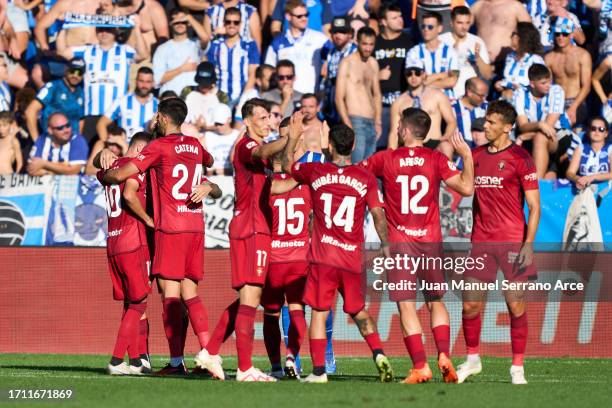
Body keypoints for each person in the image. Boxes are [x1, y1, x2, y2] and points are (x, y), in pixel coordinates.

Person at [100, 97, 220, 376]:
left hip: (171, 227)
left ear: (162, 118)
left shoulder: (158, 147)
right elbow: (209, 161)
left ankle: (176, 362)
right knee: (191, 292)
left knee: (170, 294)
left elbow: (122, 177)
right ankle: (207, 353)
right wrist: (209, 184)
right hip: (196, 226)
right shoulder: (196, 145)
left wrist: (106, 173)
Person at [360, 107, 473, 384]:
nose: (397, 128)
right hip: (431, 241)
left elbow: (355, 174)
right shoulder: (436, 159)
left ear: (407, 130)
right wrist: (467, 157)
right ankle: (444, 354)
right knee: (435, 301)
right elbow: (467, 188)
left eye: (399, 125)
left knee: (407, 305)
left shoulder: (386, 158)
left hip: (400, 244)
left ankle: (421, 366)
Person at [281, 115, 394, 384]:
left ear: (329, 145)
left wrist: (294, 136)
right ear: (353, 146)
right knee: (359, 311)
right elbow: (378, 214)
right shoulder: (365, 177)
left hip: (323, 258)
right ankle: (378, 353)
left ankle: (319, 371)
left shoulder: (315, 172)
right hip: (351, 258)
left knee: (319, 313)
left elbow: (286, 166)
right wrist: (387, 245)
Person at [194, 98, 288, 382]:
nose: (266, 122)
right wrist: (288, 138)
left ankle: (210, 352)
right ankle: (245, 368)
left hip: (258, 228)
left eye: (268, 117)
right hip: (250, 227)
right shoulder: (246, 145)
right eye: (261, 117)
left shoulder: (262, 149)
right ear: (247, 121)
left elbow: (279, 170)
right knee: (250, 297)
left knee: (249, 298)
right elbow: (263, 151)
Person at [456, 100, 540, 385]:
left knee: (515, 305)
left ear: (507, 127)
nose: (485, 126)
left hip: (514, 243)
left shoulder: (521, 158)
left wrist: (528, 245)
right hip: (481, 242)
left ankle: (517, 367)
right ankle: (472, 360)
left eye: (491, 122)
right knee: (469, 306)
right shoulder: (475, 155)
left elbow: (534, 206)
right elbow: (459, 183)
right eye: (485, 121)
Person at [97, 131, 152, 376]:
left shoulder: (112, 168)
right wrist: (149, 220)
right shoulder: (135, 168)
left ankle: (138, 360)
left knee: (131, 301)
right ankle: (118, 359)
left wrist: (101, 154)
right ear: (140, 151)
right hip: (132, 241)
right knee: (139, 303)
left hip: (113, 242)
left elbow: (98, 165)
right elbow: (129, 196)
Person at [263, 122, 312, 379]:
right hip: (299, 259)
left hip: (273, 260)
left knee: (271, 316)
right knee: (297, 310)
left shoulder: (265, 186)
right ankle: (292, 356)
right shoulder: (304, 184)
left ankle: (275, 367)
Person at [57, 20, 149, 143]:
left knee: (116, 157)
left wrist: (136, 27)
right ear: (95, 31)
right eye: (100, 29)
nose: (104, 32)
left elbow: (143, 54)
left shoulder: (124, 51)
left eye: (108, 29)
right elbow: (62, 52)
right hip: (91, 114)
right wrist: (64, 26)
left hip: (117, 116)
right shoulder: (87, 50)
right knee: (91, 155)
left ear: (115, 31)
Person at [389, 59, 457, 158]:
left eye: (417, 73)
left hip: (433, 144)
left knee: (446, 147)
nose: (413, 77)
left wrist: (445, 137)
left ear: (424, 74)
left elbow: (451, 121)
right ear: (405, 75)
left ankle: (450, 173)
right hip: (409, 146)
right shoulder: (399, 102)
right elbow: (394, 133)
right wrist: (389, 156)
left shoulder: (437, 95)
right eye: (409, 73)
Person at [336, 26, 382, 163]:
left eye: (371, 44)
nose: (368, 48)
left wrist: (378, 121)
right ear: (357, 42)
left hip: (371, 123)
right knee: (356, 166)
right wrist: (348, 124)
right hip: (355, 121)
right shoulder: (347, 63)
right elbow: (338, 97)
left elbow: (377, 95)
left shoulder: (373, 63)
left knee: (369, 168)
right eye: (364, 44)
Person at [513, 63, 568, 178]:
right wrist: (539, 124)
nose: (548, 85)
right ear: (532, 84)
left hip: (560, 133)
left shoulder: (556, 91)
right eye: (543, 83)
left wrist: (526, 135)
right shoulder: (520, 93)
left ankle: (536, 185)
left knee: (540, 137)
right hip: (534, 136)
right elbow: (523, 126)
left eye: (549, 81)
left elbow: (549, 127)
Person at [265, 0, 328, 94]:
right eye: (299, 16)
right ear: (288, 16)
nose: (304, 19)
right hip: (285, 98)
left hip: (310, 98)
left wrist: (326, 63)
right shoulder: (277, 42)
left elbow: (335, 57)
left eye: (306, 15)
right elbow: (269, 70)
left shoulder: (320, 39)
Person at [374, 5, 413, 149]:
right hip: (381, 105)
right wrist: (376, 76)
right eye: (394, 18)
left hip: (404, 105)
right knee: (380, 149)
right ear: (383, 22)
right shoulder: (374, 44)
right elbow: (361, 75)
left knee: (405, 147)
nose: (400, 20)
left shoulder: (409, 42)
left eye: (400, 16)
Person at [206, 6, 260, 108]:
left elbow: (253, 75)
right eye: (228, 22)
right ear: (223, 23)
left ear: (240, 24)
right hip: (220, 98)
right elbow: (210, 73)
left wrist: (242, 100)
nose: (232, 25)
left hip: (243, 96)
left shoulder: (249, 45)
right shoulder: (215, 45)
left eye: (236, 22)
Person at [544, 18, 592, 128]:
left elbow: (586, 87)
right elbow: (548, 85)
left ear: (571, 35)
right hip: (556, 101)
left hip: (576, 101)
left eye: (564, 34)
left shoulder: (582, 55)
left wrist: (573, 107)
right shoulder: (549, 58)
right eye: (557, 34)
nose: (560, 37)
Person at [25, 57, 85, 143]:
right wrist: (37, 142)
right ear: (66, 70)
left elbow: (80, 119)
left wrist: (78, 142)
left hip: (72, 145)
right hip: (51, 142)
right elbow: (30, 111)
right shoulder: (53, 87)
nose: (75, 75)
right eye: (72, 71)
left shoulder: (81, 93)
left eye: (79, 73)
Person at [152, 8, 208, 96]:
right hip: (170, 98)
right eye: (176, 22)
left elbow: (205, 37)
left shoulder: (195, 44)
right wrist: (181, 69)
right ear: (170, 23)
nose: (180, 24)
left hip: (193, 98)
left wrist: (189, 18)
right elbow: (157, 80)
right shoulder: (162, 49)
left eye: (183, 21)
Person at [439, 6, 493, 98]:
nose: (464, 27)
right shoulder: (441, 41)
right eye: (460, 23)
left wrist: (478, 58)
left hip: (470, 96)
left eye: (467, 23)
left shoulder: (477, 42)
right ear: (451, 23)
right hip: (446, 94)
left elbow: (488, 75)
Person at [97, 66, 158, 143]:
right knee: (98, 144)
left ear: (153, 83)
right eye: (141, 81)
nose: (144, 85)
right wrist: (108, 145)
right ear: (136, 81)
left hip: (149, 149)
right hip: (125, 149)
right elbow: (101, 124)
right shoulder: (122, 101)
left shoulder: (158, 105)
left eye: (148, 82)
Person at [406, 11, 459, 98]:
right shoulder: (413, 52)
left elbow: (453, 81)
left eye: (430, 27)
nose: (426, 29)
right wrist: (443, 75)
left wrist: (427, 81)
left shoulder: (451, 52)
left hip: (447, 100)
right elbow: (414, 81)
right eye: (423, 26)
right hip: (423, 101)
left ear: (439, 28)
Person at [495, 22, 544, 101]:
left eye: (514, 33)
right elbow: (508, 79)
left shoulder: (535, 60)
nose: (510, 36)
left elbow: (541, 86)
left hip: (524, 103)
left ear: (522, 37)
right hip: (505, 101)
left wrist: (520, 89)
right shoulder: (509, 57)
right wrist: (500, 85)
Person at [322, 16, 356, 124]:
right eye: (335, 32)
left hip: (350, 99)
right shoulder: (331, 52)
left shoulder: (355, 51)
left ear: (350, 34)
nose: (338, 35)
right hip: (332, 100)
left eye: (342, 32)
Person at [566, 117, 612, 189]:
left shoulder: (610, 149)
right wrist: (578, 179)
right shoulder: (580, 148)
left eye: (601, 129)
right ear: (588, 131)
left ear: (606, 133)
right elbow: (570, 173)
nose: (597, 131)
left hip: (607, 189)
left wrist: (592, 177)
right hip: (584, 187)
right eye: (593, 128)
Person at [184, 62, 222, 133]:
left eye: (207, 83)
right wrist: (192, 126)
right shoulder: (187, 91)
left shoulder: (221, 96)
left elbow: (226, 125)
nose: (204, 86)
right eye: (202, 83)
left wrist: (207, 128)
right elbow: (178, 117)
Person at [204, 103, 240, 175]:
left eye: (221, 124)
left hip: (232, 180)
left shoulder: (238, 136)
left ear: (229, 119)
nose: (218, 127)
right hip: (213, 180)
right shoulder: (207, 137)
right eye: (216, 124)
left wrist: (225, 171)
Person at [452, 78, 489, 147]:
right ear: (469, 92)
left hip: (483, 150)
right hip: (459, 151)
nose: (484, 99)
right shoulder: (452, 108)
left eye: (485, 96)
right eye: (481, 96)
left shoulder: (488, 107)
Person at [294, 93, 326, 161]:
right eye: (304, 106)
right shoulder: (294, 127)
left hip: (315, 169)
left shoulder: (323, 129)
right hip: (295, 169)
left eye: (311, 106)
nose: (307, 110)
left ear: (318, 108)